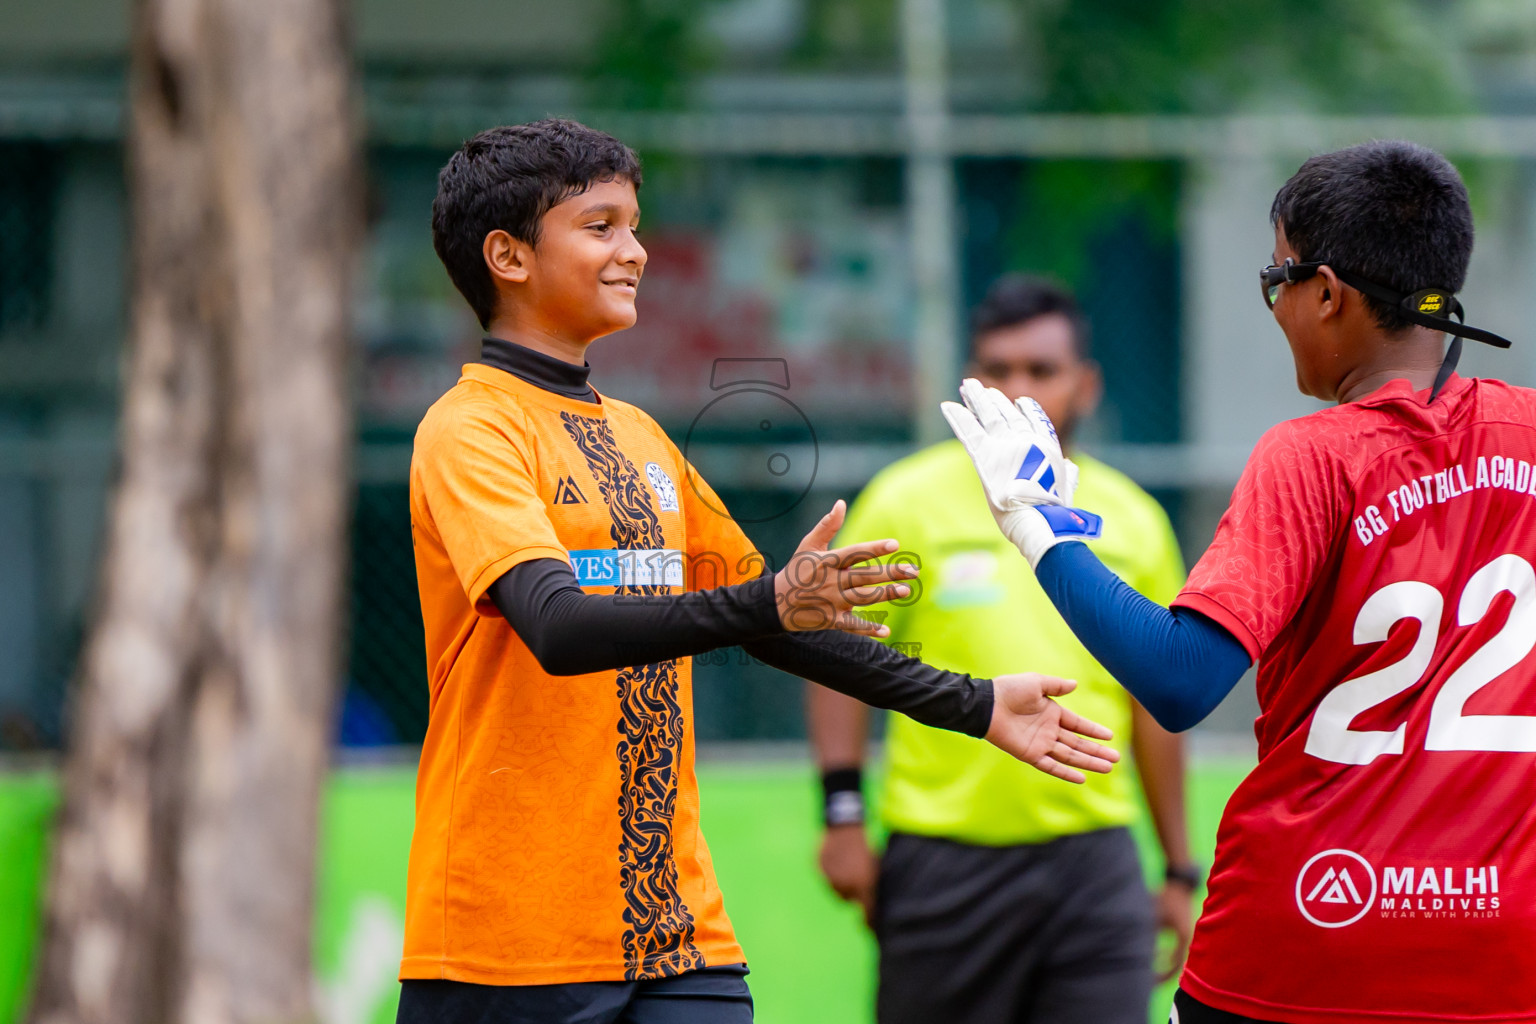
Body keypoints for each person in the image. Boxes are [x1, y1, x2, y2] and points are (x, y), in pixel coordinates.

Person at [395, 119, 1119, 1024]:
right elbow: (560, 627)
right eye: (602, 226)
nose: (636, 251)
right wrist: (768, 598)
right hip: (510, 941)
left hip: (678, 931)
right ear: (507, 255)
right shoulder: (470, 429)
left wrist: (972, 703)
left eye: (634, 224)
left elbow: (774, 622)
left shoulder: (640, 436)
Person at [942, 140, 1531, 1024]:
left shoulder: (1313, 455)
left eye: (1277, 279)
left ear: (1327, 291)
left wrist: (1045, 536)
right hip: (1503, 942)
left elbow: (1181, 682)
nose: (1275, 304)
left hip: (1306, 940)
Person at [806, 276, 1197, 1024]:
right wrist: (843, 814)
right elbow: (835, 655)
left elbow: (1156, 703)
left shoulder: (1136, 520)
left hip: (1094, 864)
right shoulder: (905, 499)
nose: (1018, 390)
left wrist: (1178, 866)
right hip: (943, 858)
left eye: (1041, 371)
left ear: (1086, 385)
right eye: (996, 371)